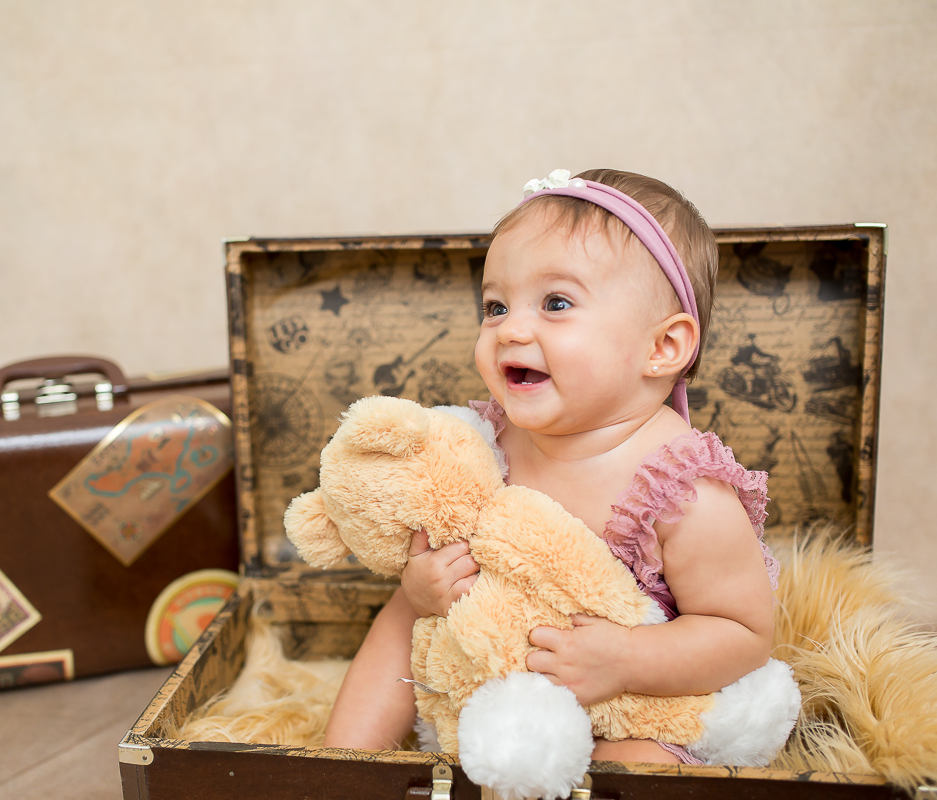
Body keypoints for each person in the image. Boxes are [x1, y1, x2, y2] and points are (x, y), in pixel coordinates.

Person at [323, 168, 779, 765]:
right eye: (495, 306)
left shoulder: (681, 490)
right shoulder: (486, 442)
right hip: (494, 680)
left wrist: (626, 659)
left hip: (630, 702)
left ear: (662, 347)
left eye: (556, 303)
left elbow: (744, 633)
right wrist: (423, 584)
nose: (510, 328)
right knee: (405, 613)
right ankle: (338, 765)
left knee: (642, 766)